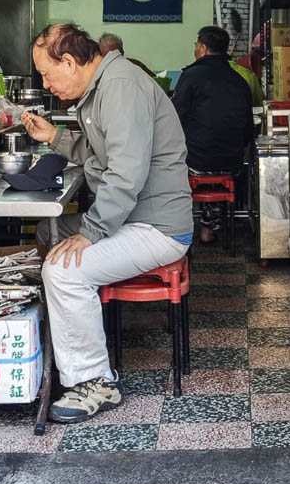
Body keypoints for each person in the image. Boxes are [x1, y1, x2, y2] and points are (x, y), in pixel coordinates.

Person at [21, 24, 193, 423]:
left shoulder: (121, 87)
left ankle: (94, 381)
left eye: (47, 73)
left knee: (63, 271)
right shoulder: (103, 88)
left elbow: (125, 174)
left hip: (157, 228)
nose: (46, 85)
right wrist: (55, 138)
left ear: (69, 61)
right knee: (48, 235)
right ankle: (61, 345)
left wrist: (90, 232)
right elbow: (100, 153)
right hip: (132, 218)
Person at [171, 25, 255, 244]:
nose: (195, 49)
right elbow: (248, 124)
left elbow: (175, 117)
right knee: (211, 154)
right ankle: (208, 228)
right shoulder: (239, 79)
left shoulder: (191, 76)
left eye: (196, 45)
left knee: (174, 162)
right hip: (232, 162)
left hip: (196, 160)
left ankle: (172, 229)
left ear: (203, 48)